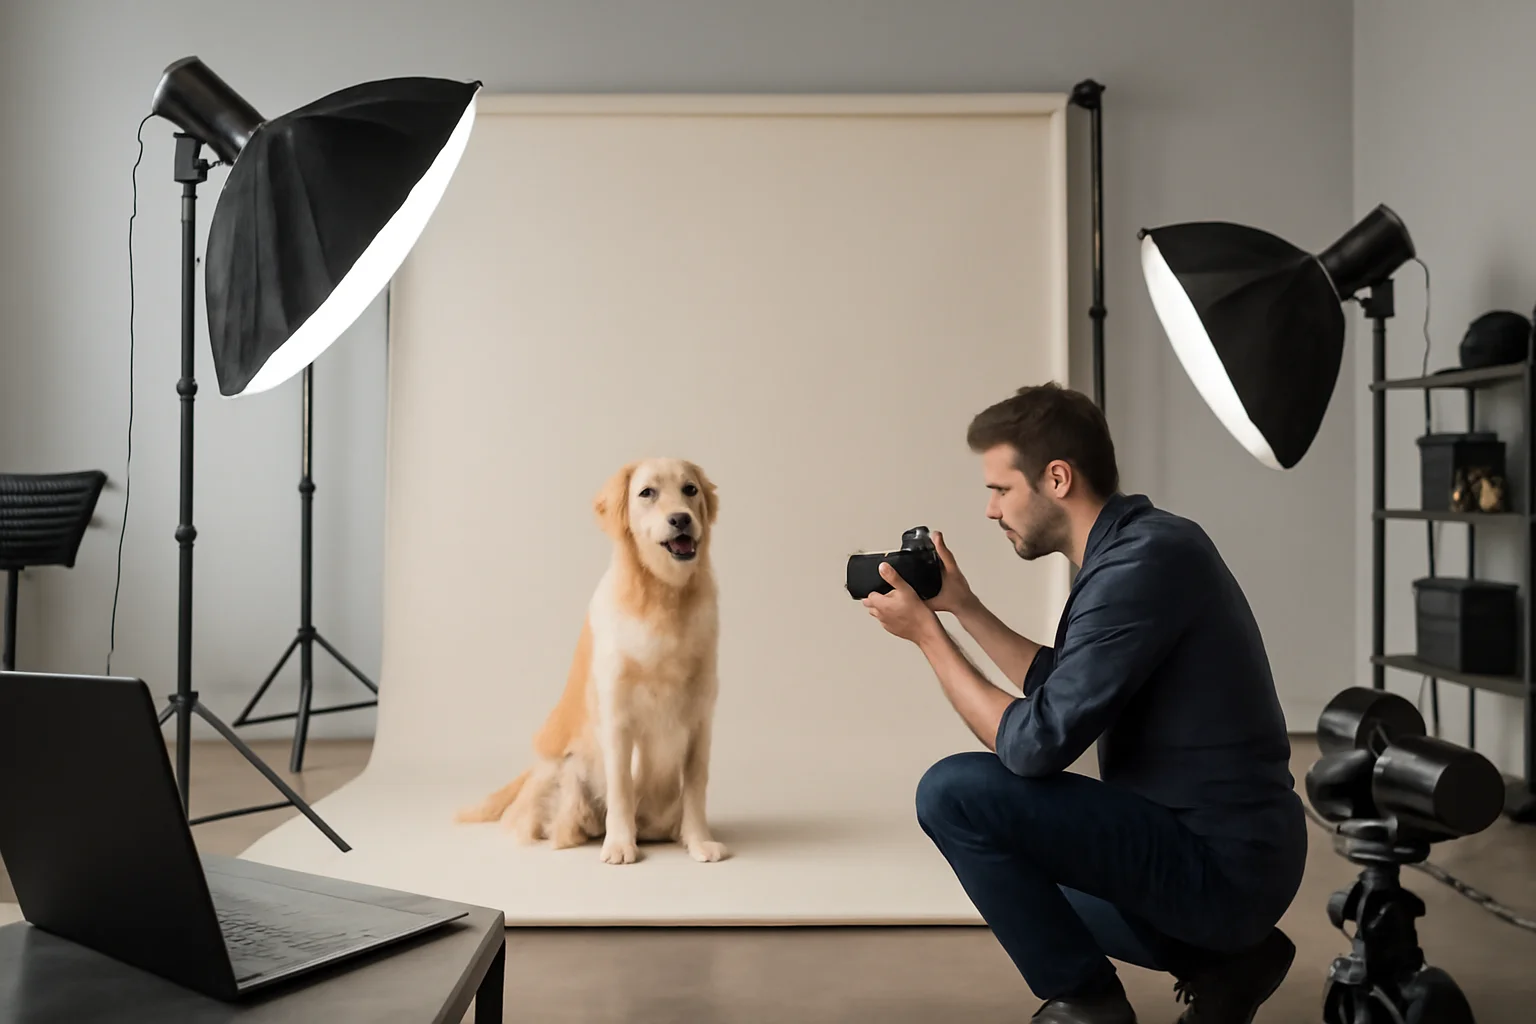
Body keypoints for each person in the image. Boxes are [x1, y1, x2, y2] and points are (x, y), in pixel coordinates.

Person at [861, 383, 1307, 1024]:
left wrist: (927, 637)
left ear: (1057, 478)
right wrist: (961, 608)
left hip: (1222, 867)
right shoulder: (1135, 549)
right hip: (1203, 854)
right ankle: (1231, 964)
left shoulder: (1144, 563)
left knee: (952, 792)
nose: (990, 510)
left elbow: (1034, 746)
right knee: (1011, 863)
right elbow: (1062, 684)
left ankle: (1088, 1006)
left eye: (1001, 488)